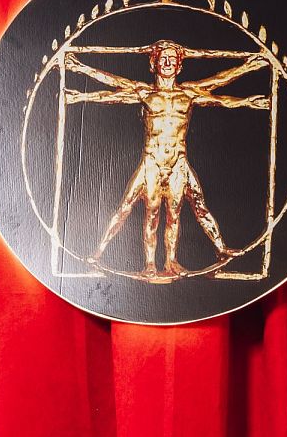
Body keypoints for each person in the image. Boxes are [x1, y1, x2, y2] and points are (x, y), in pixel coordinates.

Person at [66, 40, 270, 279]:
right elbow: (113, 88)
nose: (167, 63)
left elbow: (219, 88)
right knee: (140, 210)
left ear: (179, 66)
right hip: (152, 161)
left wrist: (248, 73)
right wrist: (80, 76)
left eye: (172, 59)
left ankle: (181, 259)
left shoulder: (188, 93)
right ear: (153, 64)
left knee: (183, 210)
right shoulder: (145, 93)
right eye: (163, 58)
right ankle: (139, 262)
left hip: (177, 162)